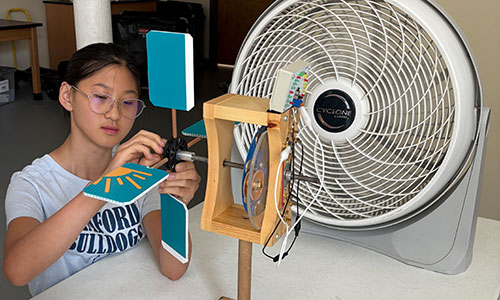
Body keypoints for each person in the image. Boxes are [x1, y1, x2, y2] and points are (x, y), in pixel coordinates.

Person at [3, 43, 201, 296]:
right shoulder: (31, 184)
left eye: (127, 102)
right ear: (67, 96)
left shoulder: (139, 173)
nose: (114, 114)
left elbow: (173, 268)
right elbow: (17, 271)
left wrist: (175, 203)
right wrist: (104, 186)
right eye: (100, 97)